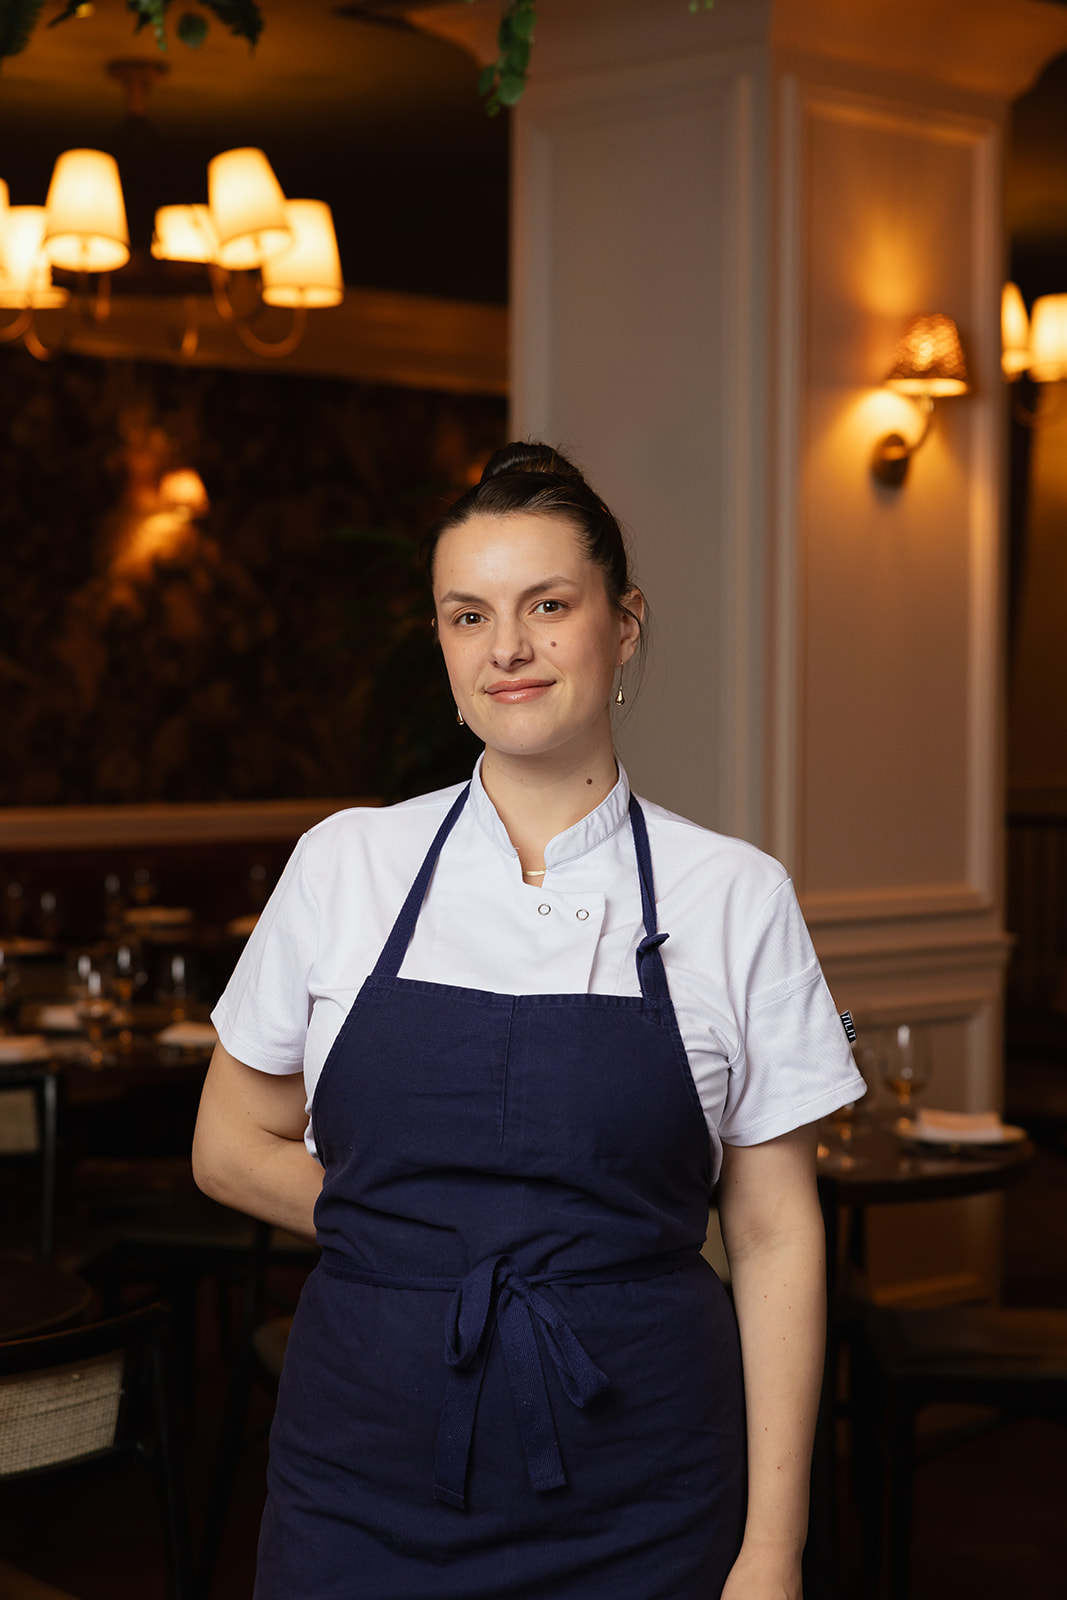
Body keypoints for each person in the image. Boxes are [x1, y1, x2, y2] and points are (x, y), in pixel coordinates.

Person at [192, 442, 865, 1600]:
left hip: (644, 1489)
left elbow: (771, 1237)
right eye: (469, 615)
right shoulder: (346, 863)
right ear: (443, 643)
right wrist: (433, 1238)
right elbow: (225, 1146)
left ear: (624, 624)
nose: (505, 647)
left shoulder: (733, 895)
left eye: (546, 605)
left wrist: (772, 1549)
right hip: (359, 1475)